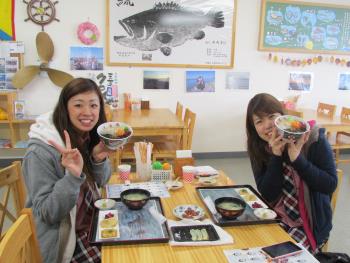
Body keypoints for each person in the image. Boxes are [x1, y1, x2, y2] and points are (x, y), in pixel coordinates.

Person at [22, 78, 112, 263]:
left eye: (94, 105)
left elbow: (102, 182)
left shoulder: (84, 135)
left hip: (92, 221)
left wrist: (97, 159)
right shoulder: (41, 151)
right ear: (64, 107)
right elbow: (48, 213)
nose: (87, 112)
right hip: (67, 242)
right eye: (78, 105)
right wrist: (72, 176)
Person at [246, 93, 337, 253]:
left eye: (272, 116)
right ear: (254, 128)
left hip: (309, 224)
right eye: (259, 122)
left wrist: (297, 159)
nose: (267, 125)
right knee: (248, 247)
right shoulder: (258, 148)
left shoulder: (313, 139)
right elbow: (268, 194)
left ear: (283, 116)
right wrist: (276, 155)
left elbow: (329, 185)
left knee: (281, 256)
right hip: (275, 217)